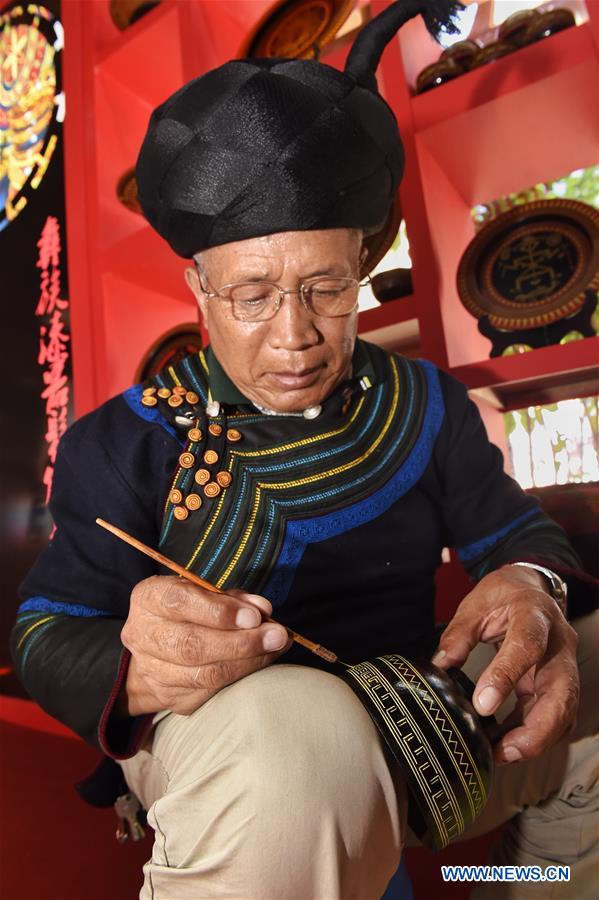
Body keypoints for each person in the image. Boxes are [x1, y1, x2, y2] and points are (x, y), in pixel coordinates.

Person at [12, 1, 598, 898]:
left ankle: (524, 877)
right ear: (197, 290)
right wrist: (135, 666)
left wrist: (531, 584)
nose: (295, 339)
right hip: (238, 758)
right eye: (251, 296)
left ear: (362, 265)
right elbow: (46, 633)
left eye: (326, 289)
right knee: (297, 740)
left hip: (424, 728)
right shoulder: (127, 440)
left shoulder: (423, 402)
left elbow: (515, 533)